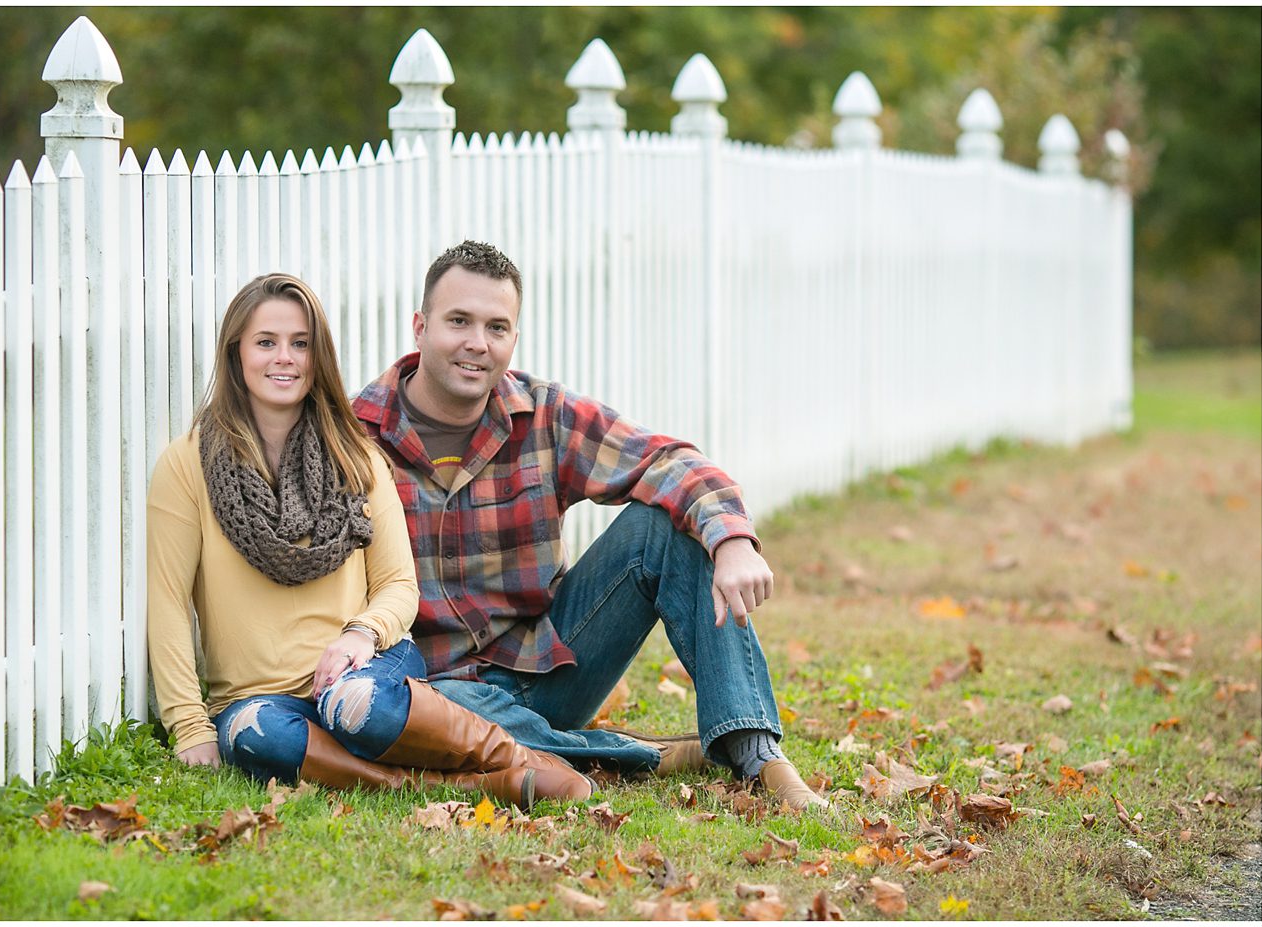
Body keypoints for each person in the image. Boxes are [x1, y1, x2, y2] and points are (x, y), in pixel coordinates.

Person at [352, 241, 825, 809]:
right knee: (416, 709)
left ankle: (758, 753)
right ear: (420, 327)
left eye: (496, 327)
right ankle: (641, 753)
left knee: (665, 525)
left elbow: (668, 461)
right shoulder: (355, 436)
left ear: (513, 338)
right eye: (459, 321)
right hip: (430, 690)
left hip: (549, 666)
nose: (478, 343)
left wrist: (734, 539)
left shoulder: (544, 414)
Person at [147, 273, 594, 806]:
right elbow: (169, 601)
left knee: (356, 705)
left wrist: (361, 634)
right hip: (256, 697)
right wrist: (189, 727)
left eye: (300, 344)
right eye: (266, 342)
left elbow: (399, 585)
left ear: (319, 357)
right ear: (236, 353)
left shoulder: (356, 457)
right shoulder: (187, 465)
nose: (284, 358)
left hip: (366, 664)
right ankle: (474, 784)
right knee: (253, 735)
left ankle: (518, 758)